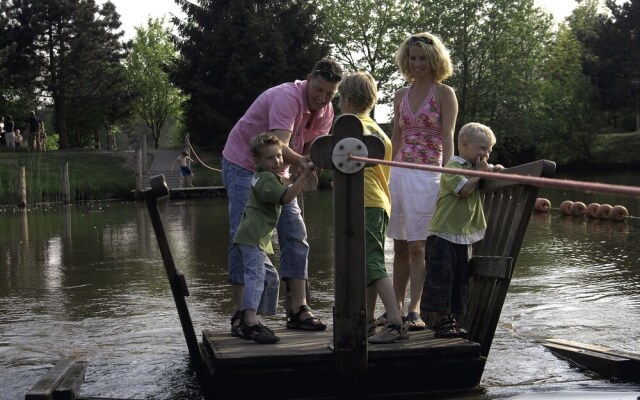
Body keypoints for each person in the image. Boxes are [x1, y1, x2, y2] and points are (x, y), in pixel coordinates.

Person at [222, 58, 343, 336]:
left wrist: (315, 162)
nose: (322, 98)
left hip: (279, 171)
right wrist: (302, 162)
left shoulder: (326, 112)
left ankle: (299, 309)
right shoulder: (288, 97)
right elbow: (280, 145)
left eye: (329, 94)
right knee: (245, 235)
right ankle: (241, 315)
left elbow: (312, 148)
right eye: (319, 89)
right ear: (308, 78)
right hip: (242, 165)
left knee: (295, 232)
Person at [378, 32, 459, 331]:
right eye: (412, 58)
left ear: (434, 60)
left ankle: (415, 308)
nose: (417, 63)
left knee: (418, 247)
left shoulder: (444, 94)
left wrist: (449, 174)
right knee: (399, 246)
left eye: (423, 58)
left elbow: (448, 136)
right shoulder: (400, 95)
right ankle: (394, 308)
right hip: (399, 174)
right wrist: (386, 177)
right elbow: (396, 139)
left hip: (428, 175)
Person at [337, 71, 409, 343]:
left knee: (373, 263)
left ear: (344, 99)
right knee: (370, 262)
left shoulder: (348, 126)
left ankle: (395, 322)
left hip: (363, 202)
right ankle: (365, 321)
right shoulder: (379, 131)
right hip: (380, 203)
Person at [422, 122, 504, 338]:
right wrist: (479, 174)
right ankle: (441, 322)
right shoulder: (452, 167)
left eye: (489, 150)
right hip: (443, 234)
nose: (486, 154)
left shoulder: (473, 168)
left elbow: (486, 172)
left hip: (462, 236)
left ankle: (451, 320)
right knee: (442, 279)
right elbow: (464, 190)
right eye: (482, 148)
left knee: (460, 279)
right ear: (464, 145)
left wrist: (494, 170)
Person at [233, 134, 313, 344]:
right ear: (257, 162)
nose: (277, 161)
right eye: (270, 158)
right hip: (252, 239)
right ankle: (250, 321)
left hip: (254, 239)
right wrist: (303, 177)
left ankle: (251, 316)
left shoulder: (268, 177)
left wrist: (298, 175)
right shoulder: (265, 179)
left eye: (279, 156)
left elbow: (285, 186)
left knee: (271, 278)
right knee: (257, 276)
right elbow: (286, 198)